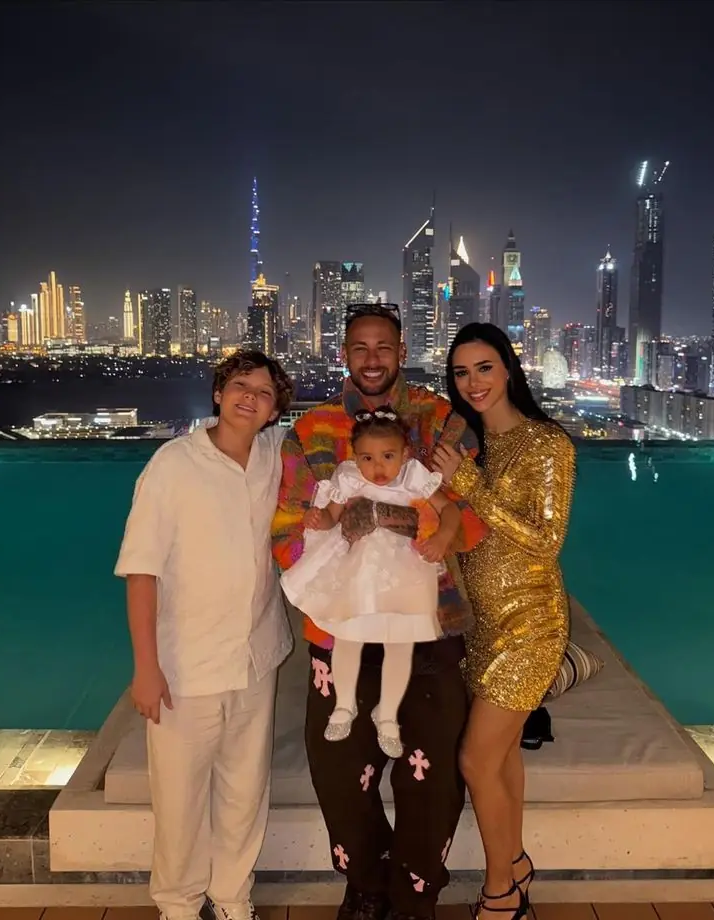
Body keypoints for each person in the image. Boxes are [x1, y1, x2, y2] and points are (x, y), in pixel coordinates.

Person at [272, 303, 487, 920]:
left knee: (432, 775)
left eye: (384, 347)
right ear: (344, 354)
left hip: (428, 623)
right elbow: (286, 528)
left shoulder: (441, 421)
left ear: (401, 351)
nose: (372, 359)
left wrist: (402, 523)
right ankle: (365, 886)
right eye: (360, 348)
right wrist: (331, 549)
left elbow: (472, 519)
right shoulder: (311, 429)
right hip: (338, 628)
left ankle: (415, 894)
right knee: (340, 771)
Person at [115, 351, 295, 920]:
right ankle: (178, 903)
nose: (250, 398)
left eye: (264, 393)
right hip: (184, 664)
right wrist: (146, 668)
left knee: (246, 790)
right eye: (240, 385)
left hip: (255, 657)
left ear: (274, 411)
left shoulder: (275, 456)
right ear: (218, 393)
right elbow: (141, 571)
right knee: (179, 798)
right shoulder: (173, 465)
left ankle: (233, 896)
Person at [432, 323, 576, 920]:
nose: (474, 382)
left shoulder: (547, 443)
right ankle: (514, 863)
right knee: (504, 753)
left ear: (509, 368)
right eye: (462, 373)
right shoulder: (470, 447)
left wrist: (469, 485)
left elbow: (545, 540)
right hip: (482, 625)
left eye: (484, 367)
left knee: (475, 759)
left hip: (532, 626)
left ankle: (501, 894)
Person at [280, 406, 463, 759]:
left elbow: (449, 510)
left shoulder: (413, 475)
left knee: (400, 643)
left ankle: (388, 714)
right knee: (349, 636)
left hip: (405, 570)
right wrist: (319, 519)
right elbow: (333, 516)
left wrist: (442, 536)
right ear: (355, 456)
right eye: (367, 457)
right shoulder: (349, 477)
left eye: (387, 456)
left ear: (404, 454)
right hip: (361, 568)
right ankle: (344, 704)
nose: (378, 467)